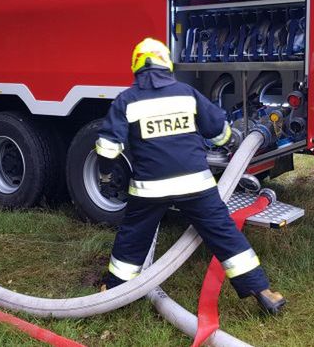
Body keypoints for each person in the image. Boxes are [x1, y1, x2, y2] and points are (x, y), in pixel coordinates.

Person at [95, 38, 286, 314]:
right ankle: (263, 291)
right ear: (166, 64)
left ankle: (113, 292)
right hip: (197, 184)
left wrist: (104, 175)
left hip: (150, 189)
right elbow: (219, 132)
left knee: (133, 237)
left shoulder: (127, 100)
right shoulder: (186, 93)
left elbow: (108, 148)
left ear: (136, 67)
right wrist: (234, 139)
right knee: (223, 233)